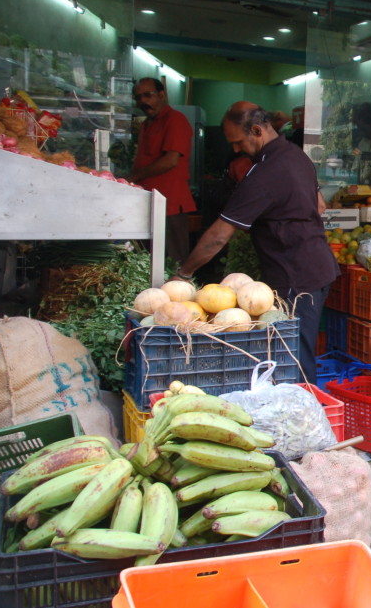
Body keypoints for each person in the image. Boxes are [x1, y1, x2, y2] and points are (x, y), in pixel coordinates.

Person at [170, 101, 337, 384]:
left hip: (297, 277)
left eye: (238, 142)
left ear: (257, 130)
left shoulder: (265, 173)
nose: (235, 149)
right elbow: (318, 205)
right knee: (292, 352)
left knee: (294, 358)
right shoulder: (296, 156)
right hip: (314, 269)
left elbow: (218, 237)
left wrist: (183, 274)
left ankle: (308, 418)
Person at [129, 78, 197, 263]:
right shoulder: (146, 124)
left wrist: (134, 176)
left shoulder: (175, 120)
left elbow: (170, 160)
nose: (143, 101)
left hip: (170, 202)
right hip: (147, 200)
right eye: (138, 97)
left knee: (174, 260)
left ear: (161, 95)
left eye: (148, 95)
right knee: (148, 259)